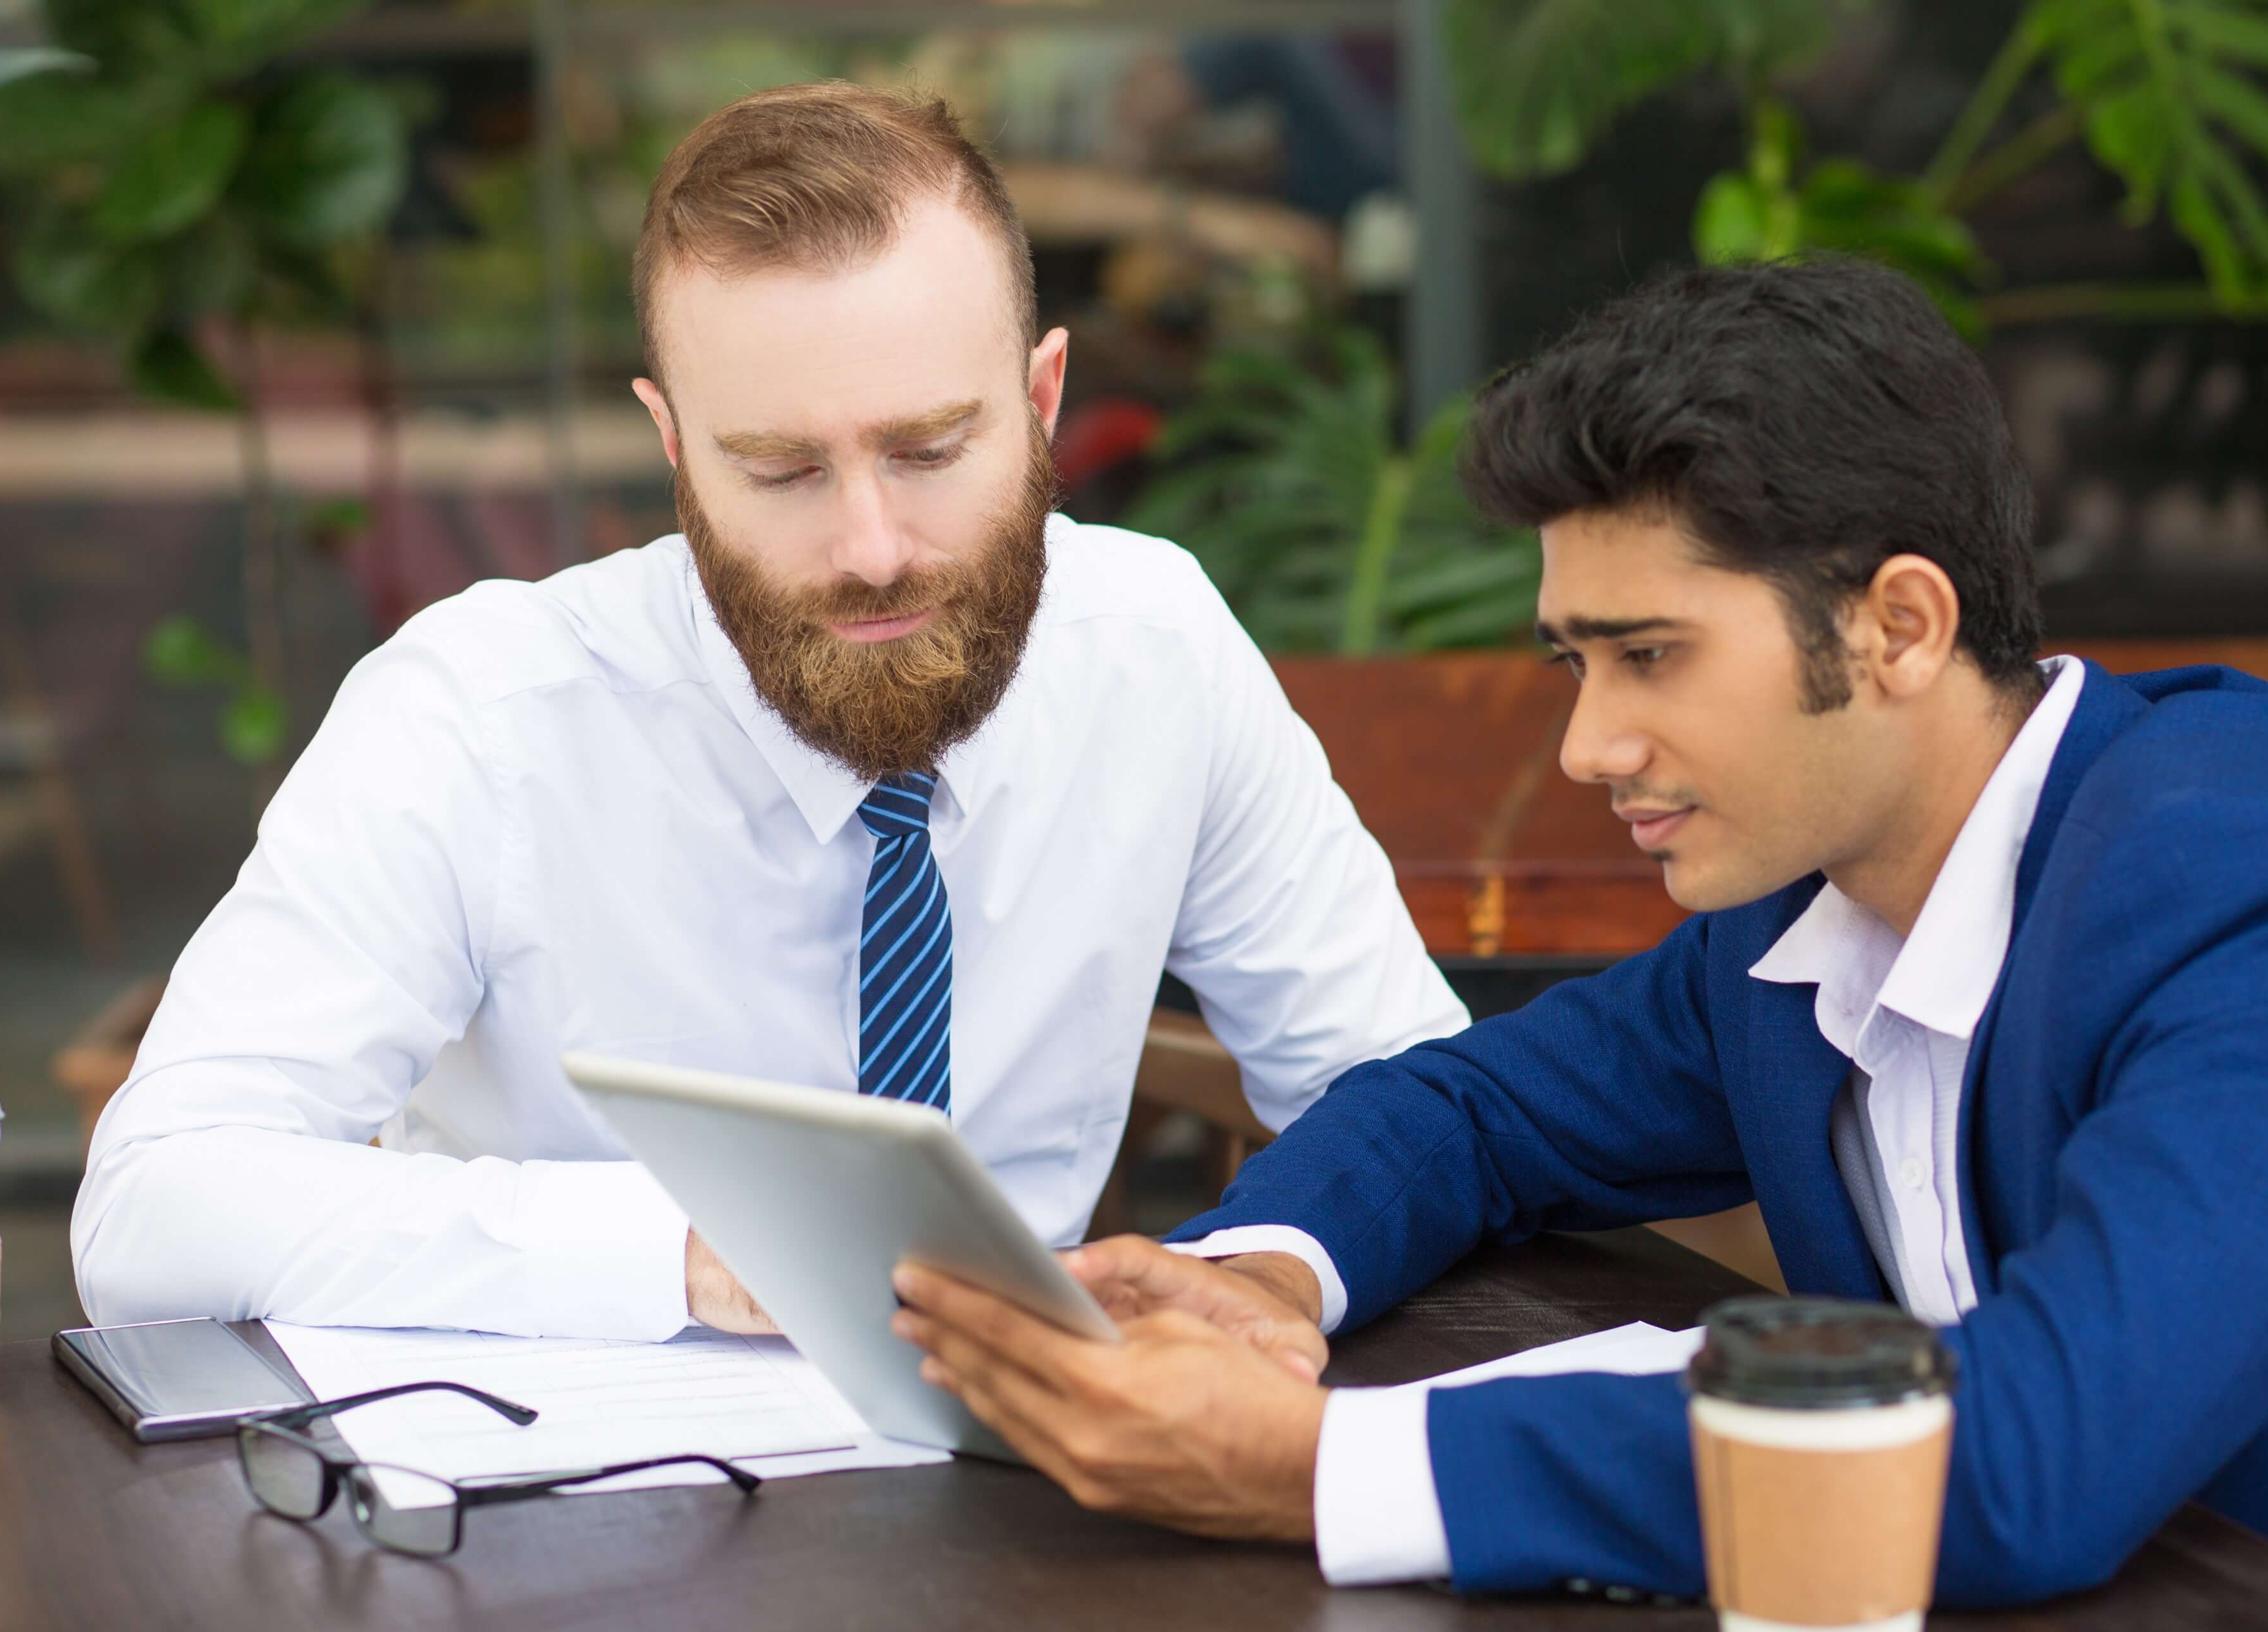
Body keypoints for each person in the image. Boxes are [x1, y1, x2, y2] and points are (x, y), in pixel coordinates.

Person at [892, 257, 2268, 1629]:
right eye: (1577, 658)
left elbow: (2034, 1459)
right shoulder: (1802, 911)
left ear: (1898, 627)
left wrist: (1317, 1465)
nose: (1587, 745)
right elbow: (1469, 1108)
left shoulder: (2265, 892)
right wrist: (1262, 1280)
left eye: (1651, 657)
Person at [70, 82, 1465, 1339]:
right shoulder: (481, 716)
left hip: (1026, 1502)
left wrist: (1262, 1270)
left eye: (929, 451)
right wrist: (683, 1253)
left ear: (1042, 401)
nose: (871, 547)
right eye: (780, 470)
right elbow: (153, 1205)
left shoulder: (1154, 654)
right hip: (567, 1526)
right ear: (674, 448)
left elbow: (1426, 1106)